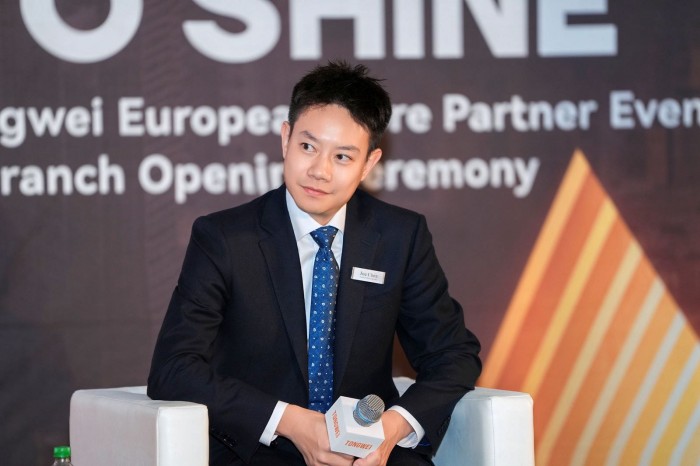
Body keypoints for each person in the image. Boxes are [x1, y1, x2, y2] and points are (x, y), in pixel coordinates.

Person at [147, 61, 481, 466]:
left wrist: (392, 429)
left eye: (342, 157)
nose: (319, 171)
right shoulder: (224, 238)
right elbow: (174, 369)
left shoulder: (400, 237)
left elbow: (452, 355)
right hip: (260, 451)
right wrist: (292, 422)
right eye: (308, 147)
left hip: (368, 453)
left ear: (369, 163)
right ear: (285, 139)